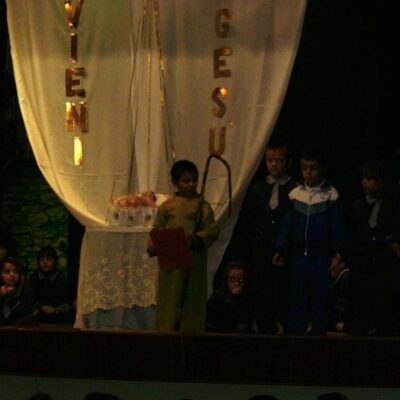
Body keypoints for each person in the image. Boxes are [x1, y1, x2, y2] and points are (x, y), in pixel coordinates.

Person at [273, 148, 345, 335]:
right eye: (304, 168)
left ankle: (318, 336)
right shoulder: (295, 194)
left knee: (319, 297)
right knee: (298, 296)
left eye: (313, 168)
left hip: (321, 256)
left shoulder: (331, 195)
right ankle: (295, 337)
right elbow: (287, 225)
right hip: (299, 255)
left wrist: (337, 252)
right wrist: (280, 249)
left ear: (322, 169)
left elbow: (336, 227)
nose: (308, 172)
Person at [148, 160, 219, 333]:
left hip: (194, 258)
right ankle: (166, 331)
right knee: (170, 296)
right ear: (175, 183)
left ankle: (192, 334)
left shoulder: (202, 206)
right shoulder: (167, 207)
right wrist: (154, 245)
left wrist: (196, 240)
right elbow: (157, 229)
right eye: (186, 181)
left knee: (192, 297)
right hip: (172, 259)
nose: (191, 184)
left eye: (194, 180)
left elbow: (211, 230)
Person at [243, 143, 296, 334]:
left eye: (278, 160)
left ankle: (283, 324)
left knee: (282, 287)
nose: (274, 164)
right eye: (270, 160)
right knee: (261, 286)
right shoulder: (258, 188)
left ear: (288, 162)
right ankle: (263, 325)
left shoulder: (294, 189)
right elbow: (251, 217)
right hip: (262, 245)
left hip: (285, 246)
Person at [349, 160, 400, 336]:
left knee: (383, 303)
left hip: (383, 261)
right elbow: (353, 233)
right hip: (363, 261)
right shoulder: (359, 206)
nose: (364, 182)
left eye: (369, 179)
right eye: (363, 178)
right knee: (362, 303)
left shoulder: (391, 205)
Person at [206, 260, 254, 333]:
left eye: (241, 280)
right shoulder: (218, 295)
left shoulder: (249, 297)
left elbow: (245, 318)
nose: (236, 283)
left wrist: (236, 298)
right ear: (227, 280)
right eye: (232, 279)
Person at [29, 246, 73, 324]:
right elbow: (30, 298)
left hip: (57, 315)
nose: (45, 262)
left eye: (49, 259)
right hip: (38, 315)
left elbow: (65, 300)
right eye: (41, 260)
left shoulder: (61, 278)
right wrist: (42, 306)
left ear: (54, 261)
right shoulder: (34, 278)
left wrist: (55, 309)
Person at [0, 256, 35, 325]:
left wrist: (10, 297)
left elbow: (26, 315)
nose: (12, 274)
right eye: (7, 271)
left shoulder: (26, 291)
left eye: (15, 271)